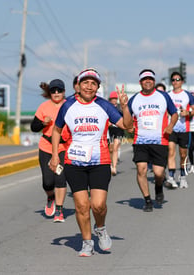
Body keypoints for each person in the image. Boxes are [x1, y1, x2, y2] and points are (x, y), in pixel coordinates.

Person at [49, 68, 132, 257]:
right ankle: (87, 243)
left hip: (100, 162)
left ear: (98, 87)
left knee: (98, 205)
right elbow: (56, 130)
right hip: (74, 162)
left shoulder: (104, 106)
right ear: (78, 85)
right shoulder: (68, 106)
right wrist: (55, 155)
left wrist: (124, 106)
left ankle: (100, 228)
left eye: (93, 83)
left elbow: (128, 126)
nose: (89, 86)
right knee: (81, 206)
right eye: (85, 82)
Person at [128, 69, 178, 211]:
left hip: (160, 140)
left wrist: (170, 125)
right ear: (140, 82)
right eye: (144, 79)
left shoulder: (163, 97)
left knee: (158, 173)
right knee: (141, 170)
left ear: (154, 82)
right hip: (141, 141)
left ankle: (158, 188)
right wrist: (128, 125)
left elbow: (174, 113)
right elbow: (126, 118)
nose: (147, 81)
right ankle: (147, 200)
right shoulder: (134, 99)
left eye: (150, 79)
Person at [31, 79, 69, 223]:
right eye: (53, 91)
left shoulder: (69, 105)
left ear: (64, 92)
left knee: (60, 178)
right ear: (50, 92)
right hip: (46, 146)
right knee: (47, 182)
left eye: (59, 90)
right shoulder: (44, 107)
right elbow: (33, 127)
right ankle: (50, 196)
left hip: (63, 147)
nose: (56, 93)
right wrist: (42, 123)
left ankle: (59, 210)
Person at [165, 72, 194, 188]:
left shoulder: (187, 95)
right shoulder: (167, 95)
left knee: (183, 155)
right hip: (171, 128)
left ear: (182, 81)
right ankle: (171, 177)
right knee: (171, 151)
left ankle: (183, 177)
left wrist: (188, 113)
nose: (175, 82)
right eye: (173, 80)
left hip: (184, 129)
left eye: (178, 79)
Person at [107, 91, 125, 176]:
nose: (114, 100)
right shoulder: (107, 107)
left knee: (115, 147)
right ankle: (110, 165)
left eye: (115, 99)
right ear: (110, 99)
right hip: (110, 130)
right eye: (112, 99)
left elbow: (125, 116)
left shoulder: (119, 108)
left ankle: (114, 167)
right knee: (110, 149)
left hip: (119, 130)